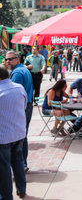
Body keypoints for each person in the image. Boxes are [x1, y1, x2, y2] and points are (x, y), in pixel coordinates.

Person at [0, 65, 28, 199]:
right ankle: (21, 189)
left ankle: (6, 196)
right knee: (18, 161)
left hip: (4, 136)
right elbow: (23, 106)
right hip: (18, 132)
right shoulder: (19, 87)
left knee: (4, 167)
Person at [4, 51, 33, 174]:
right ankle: (23, 164)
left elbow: (13, 94)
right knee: (22, 136)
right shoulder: (23, 70)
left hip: (22, 107)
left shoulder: (17, 73)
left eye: (10, 59)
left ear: (17, 59)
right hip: (27, 105)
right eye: (6, 59)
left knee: (18, 138)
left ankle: (21, 164)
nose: (8, 61)